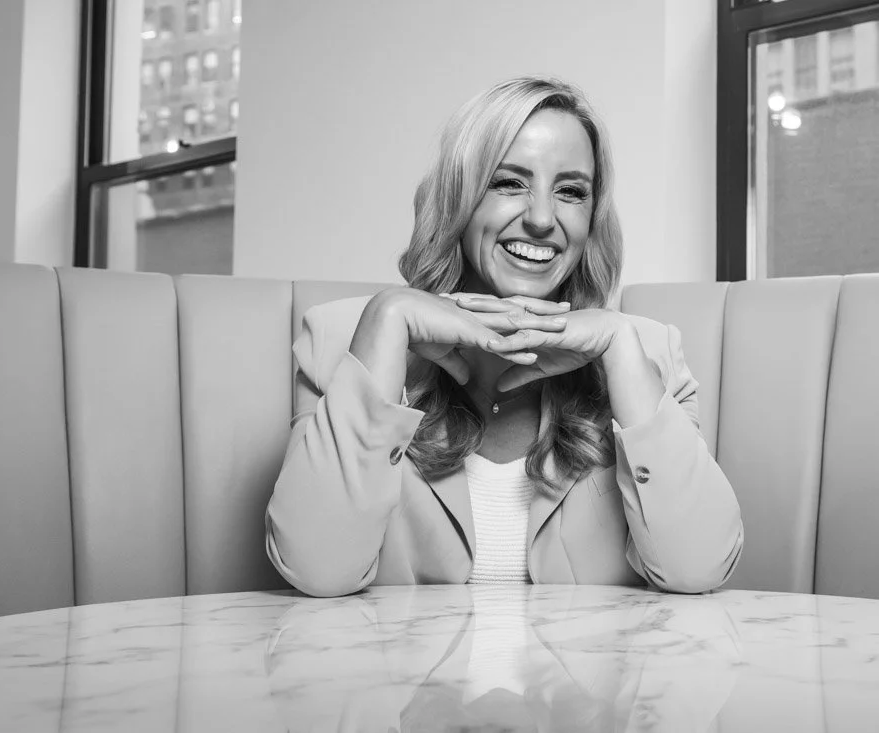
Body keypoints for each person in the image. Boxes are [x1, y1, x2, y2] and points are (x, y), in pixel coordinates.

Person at [265, 76, 743, 598]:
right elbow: (317, 569)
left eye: (570, 192)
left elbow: (698, 567)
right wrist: (388, 318)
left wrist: (620, 352)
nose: (541, 219)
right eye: (508, 182)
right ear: (458, 200)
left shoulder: (649, 354)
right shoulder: (343, 340)